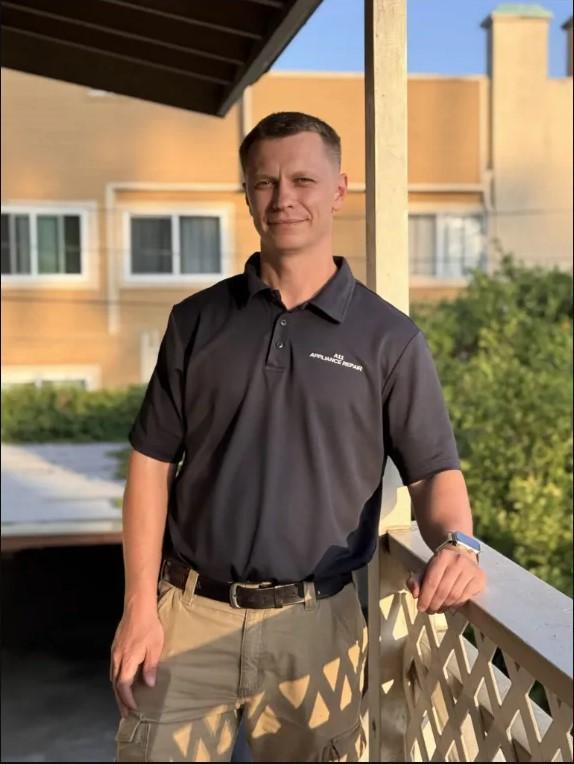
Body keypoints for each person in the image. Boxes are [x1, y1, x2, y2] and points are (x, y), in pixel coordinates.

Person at [111, 111, 486, 762]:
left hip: (318, 627)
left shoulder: (389, 338)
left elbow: (432, 472)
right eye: (265, 182)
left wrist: (458, 544)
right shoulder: (196, 322)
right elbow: (150, 464)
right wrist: (138, 607)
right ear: (248, 194)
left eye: (304, 180)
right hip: (187, 617)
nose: (283, 198)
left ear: (339, 190)